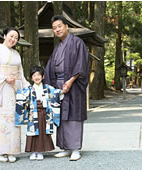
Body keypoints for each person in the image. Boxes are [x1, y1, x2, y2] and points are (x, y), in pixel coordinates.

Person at [44, 15, 89, 161]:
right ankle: (65, 148)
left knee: (73, 116)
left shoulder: (77, 42)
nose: (57, 29)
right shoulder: (58, 47)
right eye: (54, 28)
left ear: (66, 26)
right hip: (58, 85)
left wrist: (70, 81)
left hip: (74, 85)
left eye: (59, 26)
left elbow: (81, 64)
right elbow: (51, 66)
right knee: (61, 117)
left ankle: (75, 148)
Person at [0, 27, 30, 162]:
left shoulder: (16, 54)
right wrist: (4, 78)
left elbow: (20, 73)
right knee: (1, 119)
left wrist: (27, 87)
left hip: (14, 87)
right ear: (4, 36)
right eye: (11, 36)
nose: (13, 39)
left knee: (14, 118)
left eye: (16, 38)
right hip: (2, 87)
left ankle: (11, 151)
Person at [15, 66, 63, 160]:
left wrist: (61, 91)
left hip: (44, 113)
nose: (36, 77)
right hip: (33, 114)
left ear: (43, 76)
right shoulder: (28, 89)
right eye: (34, 75)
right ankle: (33, 152)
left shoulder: (47, 88)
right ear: (31, 78)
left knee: (42, 132)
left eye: (38, 75)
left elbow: (55, 93)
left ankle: (40, 151)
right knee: (33, 133)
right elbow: (22, 97)